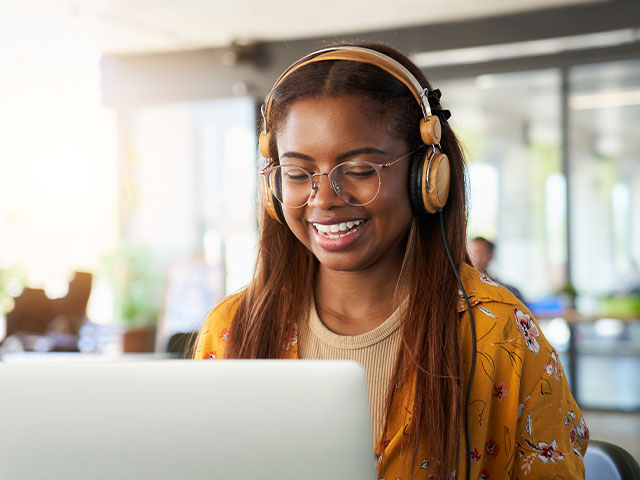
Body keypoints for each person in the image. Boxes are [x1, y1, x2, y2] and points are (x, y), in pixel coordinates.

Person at [195, 43, 588, 480]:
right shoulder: (232, 329)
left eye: (361, 170)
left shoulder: (500, 334)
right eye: (296, 173)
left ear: (427, 176)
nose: (324, 198)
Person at [468, 236, 527, 305]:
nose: (472, 257)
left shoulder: (510, 292)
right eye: (470, 253)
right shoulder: (461, 290)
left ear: (491, 256)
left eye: (478, 253)